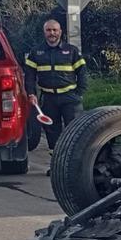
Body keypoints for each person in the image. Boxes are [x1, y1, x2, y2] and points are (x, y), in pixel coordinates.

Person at [23, 19, 88, 149]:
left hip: (70, 98)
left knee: (75, 131)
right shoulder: (36, 52)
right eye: (48, 30)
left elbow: (82, 73)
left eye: (55, 30)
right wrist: (31, 94)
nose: (52, 33)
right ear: (44, 32)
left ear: (60, 32)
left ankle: (74, 165)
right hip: (49, 99)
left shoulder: (72, 51)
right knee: (52, 133)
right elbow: (29, 76)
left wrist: (79, 93)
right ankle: (55, 164)